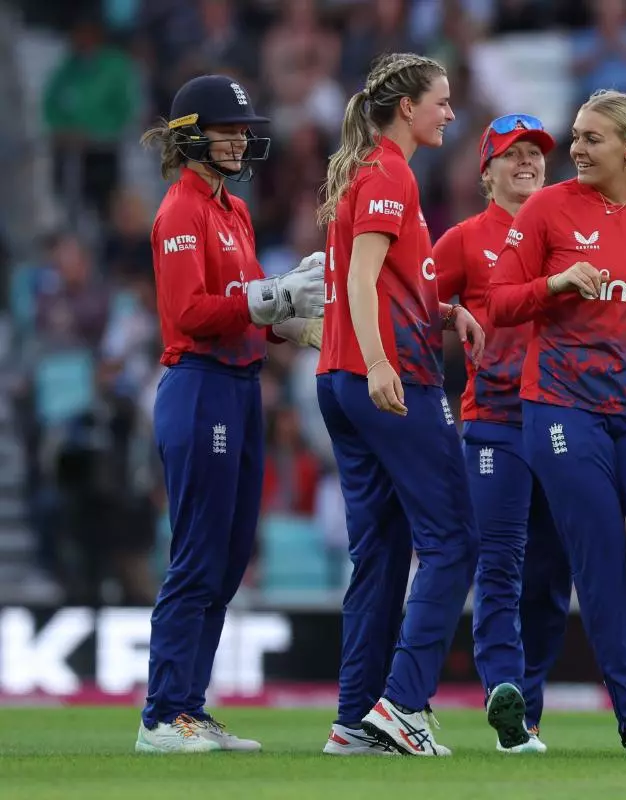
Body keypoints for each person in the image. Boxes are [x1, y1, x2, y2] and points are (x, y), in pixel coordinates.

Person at [487, 89, 626, 759]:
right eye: (576, 135)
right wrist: (553, 286)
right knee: (601, 560)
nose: (575, 148)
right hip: (561, 406)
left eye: (592, 139)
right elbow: (498, 303)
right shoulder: (548, 210)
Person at [137, 74, 326, 754]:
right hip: (199, 386)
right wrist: (269, 298)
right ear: (191, 135)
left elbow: (245, 310)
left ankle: (189, 705)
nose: (243, 137)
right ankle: (162, 715)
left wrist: (288, 323)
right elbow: (191, 313)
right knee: (196, 556)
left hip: (241, 385)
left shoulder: (234, 212)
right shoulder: (179, 211)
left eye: (245, 128)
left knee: (226, 559)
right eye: (229, 128)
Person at [314, 53, 486, 758]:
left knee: (381, 553)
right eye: (441, 101)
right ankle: (404, 704)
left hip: (342, 379)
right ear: (405, 107)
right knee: (454, 540)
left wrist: (441, 311)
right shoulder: (390, 171)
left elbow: (384, 280)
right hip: (387, 379)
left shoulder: (368, 172)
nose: (450, 113)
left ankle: (356, 719)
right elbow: (360, 276)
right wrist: (384, 359)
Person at [433, 113, 571, 754]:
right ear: (485, 171)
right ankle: (503, 688)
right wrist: (453, 309)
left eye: (537, 153)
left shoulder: (573, 234)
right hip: (497, 421)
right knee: (501, 564)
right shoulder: (464, 240)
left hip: (568, 422)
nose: (527, 162)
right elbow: (405, 297)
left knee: (552, 574)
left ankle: (528, 709)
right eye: (512, 154)